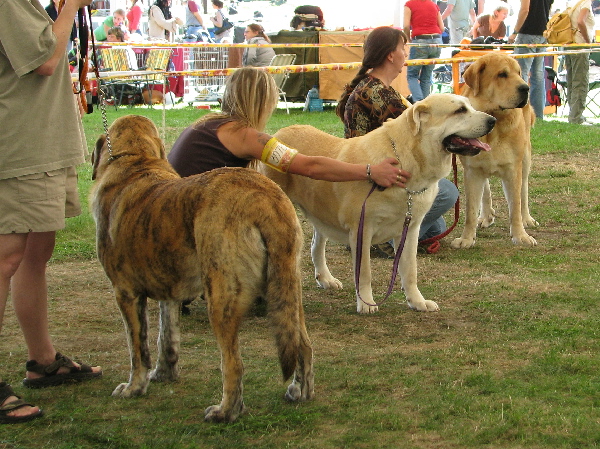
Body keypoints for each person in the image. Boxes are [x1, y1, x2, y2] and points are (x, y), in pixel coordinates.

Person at [0, 0, 103, 425]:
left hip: (41, 142)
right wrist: (71, 7)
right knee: (6, 256)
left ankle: (43, 361)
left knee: (34, 252)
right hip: (18, 144)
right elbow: (44, 59)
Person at [167, 68, 407, 189]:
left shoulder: (209, 122)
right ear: (262, 102)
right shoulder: (246, 136)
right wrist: (369, 171)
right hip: (185, 212)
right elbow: (310, 167)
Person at [336, 26, 459, 256]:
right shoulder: (379, 94)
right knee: (447, 193)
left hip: (374, 173)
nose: (407, 53)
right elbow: (419, 138)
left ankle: (382, 233)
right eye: (403, 48)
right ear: (391, 55)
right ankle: (376, 239)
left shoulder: (375, 88)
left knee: (437, 225)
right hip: (376, 180)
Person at [508, 0, 554, 119]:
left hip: (527, 32)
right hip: (543, 33)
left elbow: (525, 10)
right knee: (538, 76)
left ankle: (520, 114)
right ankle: (538, 115)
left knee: (520, 74)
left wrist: (514, 32)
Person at [404, 0, 445, 102]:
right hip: (437, 41)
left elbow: (405, 26)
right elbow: (442, 28)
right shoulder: (433, 5)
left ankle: (418, 102)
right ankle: (425, 105)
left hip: (420, 41)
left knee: (412, 75)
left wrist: (408, 40)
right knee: (426, 76)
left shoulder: (409, 4)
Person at [565, 0, 595, 125]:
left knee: (572, 81)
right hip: (580, 45)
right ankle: (576, 117)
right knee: (581, 81)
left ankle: (573, 115)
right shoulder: (586, 3)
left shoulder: (573, 2)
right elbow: (580, 21)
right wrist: (588, 42)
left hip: (569, 44)